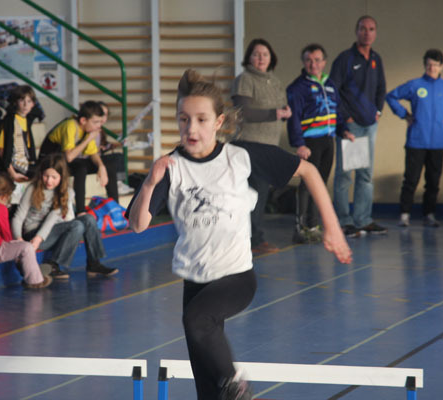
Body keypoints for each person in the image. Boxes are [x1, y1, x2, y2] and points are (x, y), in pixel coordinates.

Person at [127, 69, 352, 400]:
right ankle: (226, 388)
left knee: (197, 321)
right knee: (206, 384)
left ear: (218, 122)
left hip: (235, 277)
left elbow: (308, 170)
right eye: (184, 119)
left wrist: (332, 228)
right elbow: (138, 224)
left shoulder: (240, 156)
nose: (191, 128)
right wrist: (149, 182)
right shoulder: (170, 167)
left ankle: (238, 387)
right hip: (195, 280)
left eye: (201, 119)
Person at [386, 49, 443, 227]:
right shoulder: (415, 85)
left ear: (441, 66)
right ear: (424, 65)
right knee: (411, 180)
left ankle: (429, 214)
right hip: (417, 140)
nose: (432, 68)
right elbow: (391, 96)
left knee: (433, 181)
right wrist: (404, 114)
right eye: (429, 64)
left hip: (438, 141)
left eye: (435, 65)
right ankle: (405, 214)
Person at [12, 153, 118, 279]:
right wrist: (19, 239)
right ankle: (53, 265)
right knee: (77, 225)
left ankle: (94, 263)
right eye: (46, 176)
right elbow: (18, 216)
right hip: (33, 234)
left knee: (88, 219)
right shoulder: (33, 189)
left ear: (61, 177)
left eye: (54, 177)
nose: (49, 181)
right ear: (41, 174)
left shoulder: (67, 192)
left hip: (48, 233)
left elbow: (53, 218)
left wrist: (39, 238)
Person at [231, 38, 292, 254]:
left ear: (271, 57)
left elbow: (281, 107)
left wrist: (285, 113)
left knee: (261, 194)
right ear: (249, 58)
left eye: (265, 54)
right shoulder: (244, 79)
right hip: (249, 145)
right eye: (256, 54)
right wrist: (275, 113)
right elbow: (244, 112)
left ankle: (252, 238)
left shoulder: (274, 81)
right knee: (253, 194)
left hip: (269, 145)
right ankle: (253, 240)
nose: (261, 58)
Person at [330, 15, 387, 237]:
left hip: (370, 126)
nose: (367, 33)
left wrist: (378, 112)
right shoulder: (345, 59)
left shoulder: (376, 59)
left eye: (371, 29)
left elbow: (381, 88)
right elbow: (333, 91)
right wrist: (345, 119)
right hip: (350, 127)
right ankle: (344, 221)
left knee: (366, 175)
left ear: (375, 33)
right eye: (363, 28)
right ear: (356, 31)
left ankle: (363, 220)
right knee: (345, 176)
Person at [287, 43, 349, 244]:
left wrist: (343, 130)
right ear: (303, 62)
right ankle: (300, 227)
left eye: (317, 60)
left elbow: (337, 112)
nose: (313, 64)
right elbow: (294, 118)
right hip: (309, 143)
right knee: (307, 183)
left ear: (324, 62)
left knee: (320, 183)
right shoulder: (297, 88)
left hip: (328, 141)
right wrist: (299, 144)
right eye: (308, 60)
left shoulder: (329, 84)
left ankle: (313, 225)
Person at [39, 101, 118, 213]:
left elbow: (93, 153)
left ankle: (115, 209)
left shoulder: (88, 129)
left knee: (109, 166)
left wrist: (101, 166)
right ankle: (81, 211)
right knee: (81, 167)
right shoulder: (70, 125)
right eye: (96, 122)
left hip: (67, 160)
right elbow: (69, 157)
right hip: (51, 162)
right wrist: (88, 139)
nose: (99, 126)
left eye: (100, 122)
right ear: (83, 120)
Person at [0, 85, 38, 182]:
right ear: (15, 102)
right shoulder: (10, 121)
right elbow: (1, 150)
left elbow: (38, 112)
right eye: (22, 100)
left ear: (33, 104)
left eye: (29, 101)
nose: (25, 105)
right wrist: (12, 173)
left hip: (26, 163)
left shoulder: (27, 120)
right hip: (14, 165)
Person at [97, 101, 133, 195]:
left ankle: (120, 182)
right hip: (92, 159)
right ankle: (118, 184)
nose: (103, 117)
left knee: (119, 156)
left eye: (105, 115)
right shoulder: (92, 128)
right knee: (117, 158)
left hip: (98, 156)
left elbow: (103, 145)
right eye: (100, 113)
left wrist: (114, 145)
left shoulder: (100, 130)